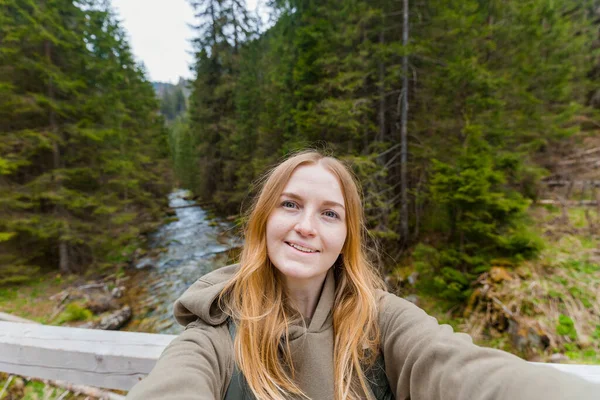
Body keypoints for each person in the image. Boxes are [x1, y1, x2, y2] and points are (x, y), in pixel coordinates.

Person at [127, 150, 599, 400]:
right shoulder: (213, 335)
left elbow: (462, 371)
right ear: (263, 220)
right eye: (290, 204)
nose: (306, 227)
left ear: (346, 236)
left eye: (329, 214)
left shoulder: (381, 321)